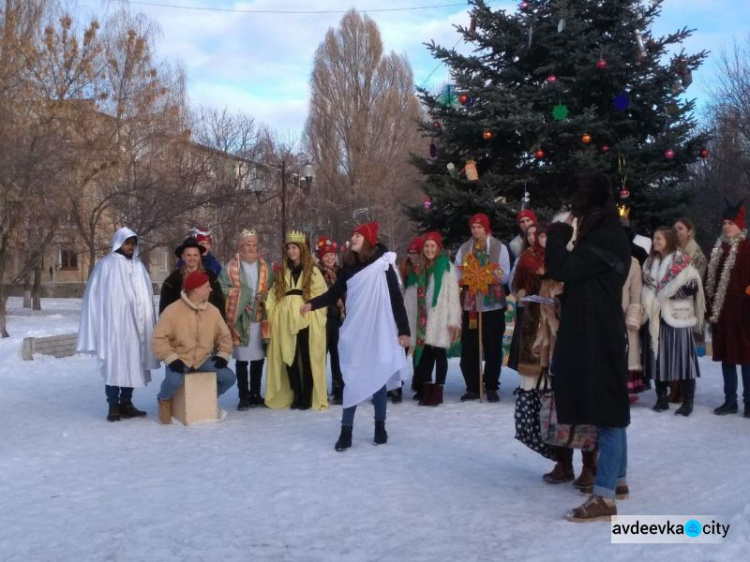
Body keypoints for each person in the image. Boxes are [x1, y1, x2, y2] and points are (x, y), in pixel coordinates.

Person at [544, 173, 631, 522]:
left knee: (607, 413)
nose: (575, 219)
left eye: (578, 213)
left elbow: (561, 267)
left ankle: (605, 497)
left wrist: (558, 233)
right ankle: (618, 480)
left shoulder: (606, 236)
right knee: (611, 407)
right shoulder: (607, 232)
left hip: (597, 333)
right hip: (597, 328)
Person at [302, 221, 410, 451]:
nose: (352, 239)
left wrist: (404, 330)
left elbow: (395, 297)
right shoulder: (349, 267)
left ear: (368, 240)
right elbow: (334, 293)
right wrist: (312, 304)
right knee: (351, 377)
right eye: (352, 236)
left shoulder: (383, 264)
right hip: (356, 327)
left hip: (379, 328)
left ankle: (380, 425)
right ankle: (346, 430)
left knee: (378, 376)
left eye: (357, 236)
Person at [76, 227, 160, 422]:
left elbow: (146, 298)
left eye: (133, 243)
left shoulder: (139, 267)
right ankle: (113, 405)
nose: (130, 247)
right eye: (126, 242)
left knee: (133, 364)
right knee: (115, 365)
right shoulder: (106, 265)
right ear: (118, 243)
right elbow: (94, 298)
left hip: (137, 328)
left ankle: (126, 403)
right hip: (114, 327)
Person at [152, 271, 236, 424]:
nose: (211, 290)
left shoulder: (213, 311)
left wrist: (223, 355)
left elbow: (225, 336)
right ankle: (164, 400)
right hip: (180, 359)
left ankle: (207, 399)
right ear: (196, 289)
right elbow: (158, 338)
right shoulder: (172, 310)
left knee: (229, 378)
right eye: (207, 287)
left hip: (203, 359)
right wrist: (171, 358)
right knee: (173, 380)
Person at [642, 227, 705, 417]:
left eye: (659, 238)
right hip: (656, 317)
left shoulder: (681, 260)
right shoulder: (650, 261)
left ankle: (688, 400)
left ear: (668, 240)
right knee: (657, 358)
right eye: (654, 238)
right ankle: (661, 397)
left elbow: (693, 285)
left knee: (683, 359)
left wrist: (671, 295)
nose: (655, 241)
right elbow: (646, 285)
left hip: (676, 315)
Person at [265, 231, 328, 411]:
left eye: (294, 247)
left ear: (301, 249)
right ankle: (296, 393)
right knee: (289, 356)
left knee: (307, 356)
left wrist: (309, 306)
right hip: (286, 318)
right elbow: (274, 293)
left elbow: (321, 293)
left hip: (305, 317)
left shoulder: (312, 271)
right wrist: (271, 310)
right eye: (288, 248)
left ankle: (307, 395)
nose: (291, 251)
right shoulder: (283, 271)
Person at [454, 213, 511, 402]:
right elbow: (457, 273)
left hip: (492, 305)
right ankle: (473, 386)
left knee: (493, 347)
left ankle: (491, 385)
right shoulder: (464, 249)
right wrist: (469, 277)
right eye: (473, 227)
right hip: (471, 306)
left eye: (479, 227)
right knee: (469, 348)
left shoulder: (498, 247)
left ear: (486, 228)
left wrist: (485, 275)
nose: (476, 231)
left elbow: (504, 275)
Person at [219, 229, 274, 411]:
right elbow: (223, 288)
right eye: (247, 245)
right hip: (240, 318)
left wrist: (264, 295)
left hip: (260, 317)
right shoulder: (230, 267)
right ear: (240, 247)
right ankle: (243, 396)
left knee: (259, 357)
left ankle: (255, 393)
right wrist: (242, 295)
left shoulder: (265, 266)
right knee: (242, 359)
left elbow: (272, 287)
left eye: (254, 244)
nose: (251, 248)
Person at [705, 198, 750, 418]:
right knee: (727, 357)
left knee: (746, 358)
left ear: (739, 225)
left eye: (730, 223)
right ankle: (730, 400)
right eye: (724, 223)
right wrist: (709, 307)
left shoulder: (747, 248)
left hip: (744, 312)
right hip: (723, 313)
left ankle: (749, 402)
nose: (726, 227)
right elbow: (710, 280)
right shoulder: (718, 249)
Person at [411, 231, 462, 406]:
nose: (429, 249)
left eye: (432, 246)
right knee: (425, 357)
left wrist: (452, 320)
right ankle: (427, 391)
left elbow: (453, 296)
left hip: (440, 317)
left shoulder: (445, 266)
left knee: (439, 355)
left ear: (438, 248)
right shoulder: (421, 267)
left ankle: (438, 391)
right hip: (424, 318)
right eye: (426, 246)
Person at [159, 237, 225, 318]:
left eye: (195, 255)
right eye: (188, 255)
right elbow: (165, 310)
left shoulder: (210, 276)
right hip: (181, 324)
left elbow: (219, 303)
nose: (192, 258)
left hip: (206, 323)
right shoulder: (172, 281)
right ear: (183, 256)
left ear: (200, 256)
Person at [315, 236, 346, 405]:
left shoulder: (340, 272)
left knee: (338, 354)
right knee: (321, 354)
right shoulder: (317, 272)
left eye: (332, 255)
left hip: (338, 317)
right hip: (323, 317)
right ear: (321, 257)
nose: (329, 258)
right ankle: (320, 389)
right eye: (326, 255)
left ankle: (339, 387)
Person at [508, 223, 543, 373]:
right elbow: (513, 282)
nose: (531, 237)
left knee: (543, 346)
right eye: (528, 235)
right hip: (528, 307)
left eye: (534, 234)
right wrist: (521, 292)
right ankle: (527, 384)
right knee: (526, 346)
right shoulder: (523, 256)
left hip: (547, 308)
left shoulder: (550, 254)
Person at [401, 236, 423, 401]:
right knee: (403, 347)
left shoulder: (425, 267)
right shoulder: (404, 267)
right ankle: (397, 383)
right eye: (410, 253)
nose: (412, 256)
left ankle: (419, 382)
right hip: (406, 308)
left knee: (420, 348)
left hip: (420, 310)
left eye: (415, 253)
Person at [622, 252, 645, 402]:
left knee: (625, 352)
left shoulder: (632, 264)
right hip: (602, 314)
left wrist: (633, 315)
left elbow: (636, 293)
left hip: (623, 315)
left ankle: (625, 390)